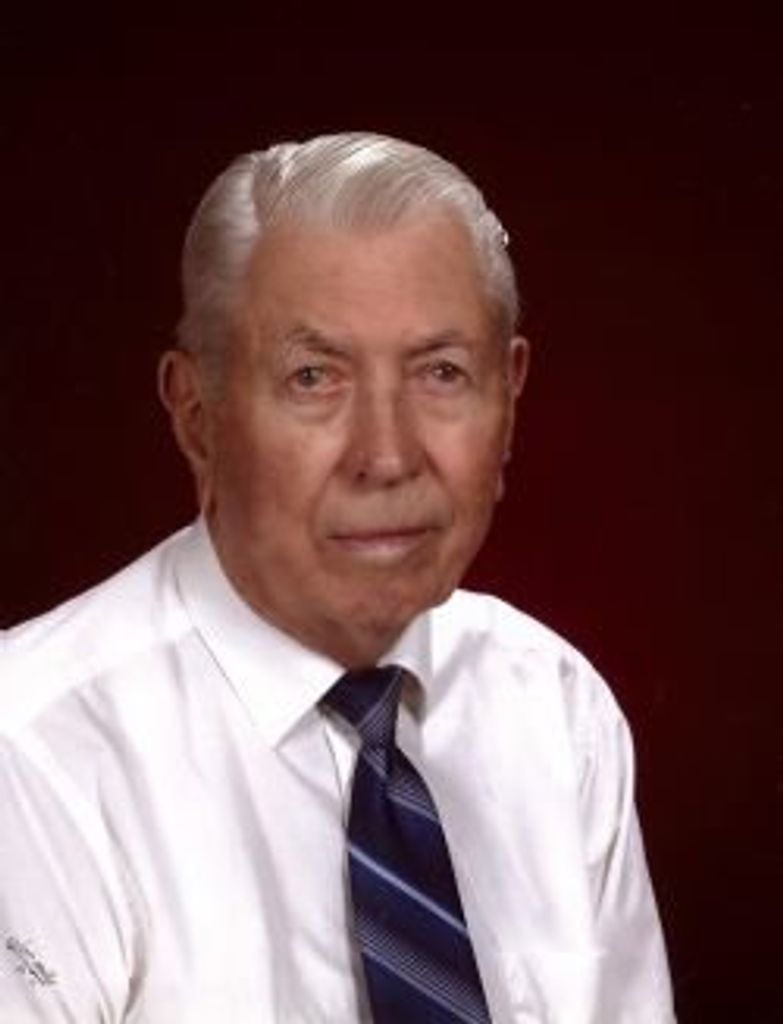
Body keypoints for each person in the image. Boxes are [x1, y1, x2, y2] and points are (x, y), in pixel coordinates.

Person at [0, 132, 675, 1022]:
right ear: (197, 415)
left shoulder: (554, 708)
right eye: (313, 378)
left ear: (509, 399)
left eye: (441, 373)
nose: (386, 456)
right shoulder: (32, 753)